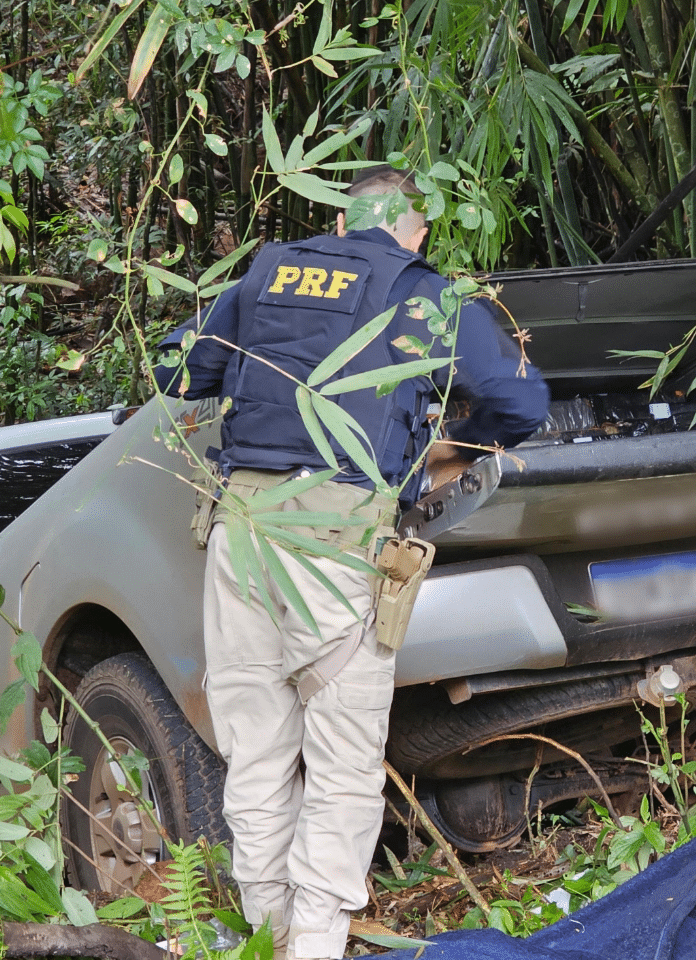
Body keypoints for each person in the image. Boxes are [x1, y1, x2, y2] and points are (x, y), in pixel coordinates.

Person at [154, 164, 549, 960]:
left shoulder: (267, 272)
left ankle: (266, 939)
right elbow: (524, 403)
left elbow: (175, 369)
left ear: (339, 225)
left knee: (257, 754)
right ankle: (315, 947)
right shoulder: (425, 290)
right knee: (340, 764)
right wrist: (447, 445)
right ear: (418, 230)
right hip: (337, 550)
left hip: (243, 534)